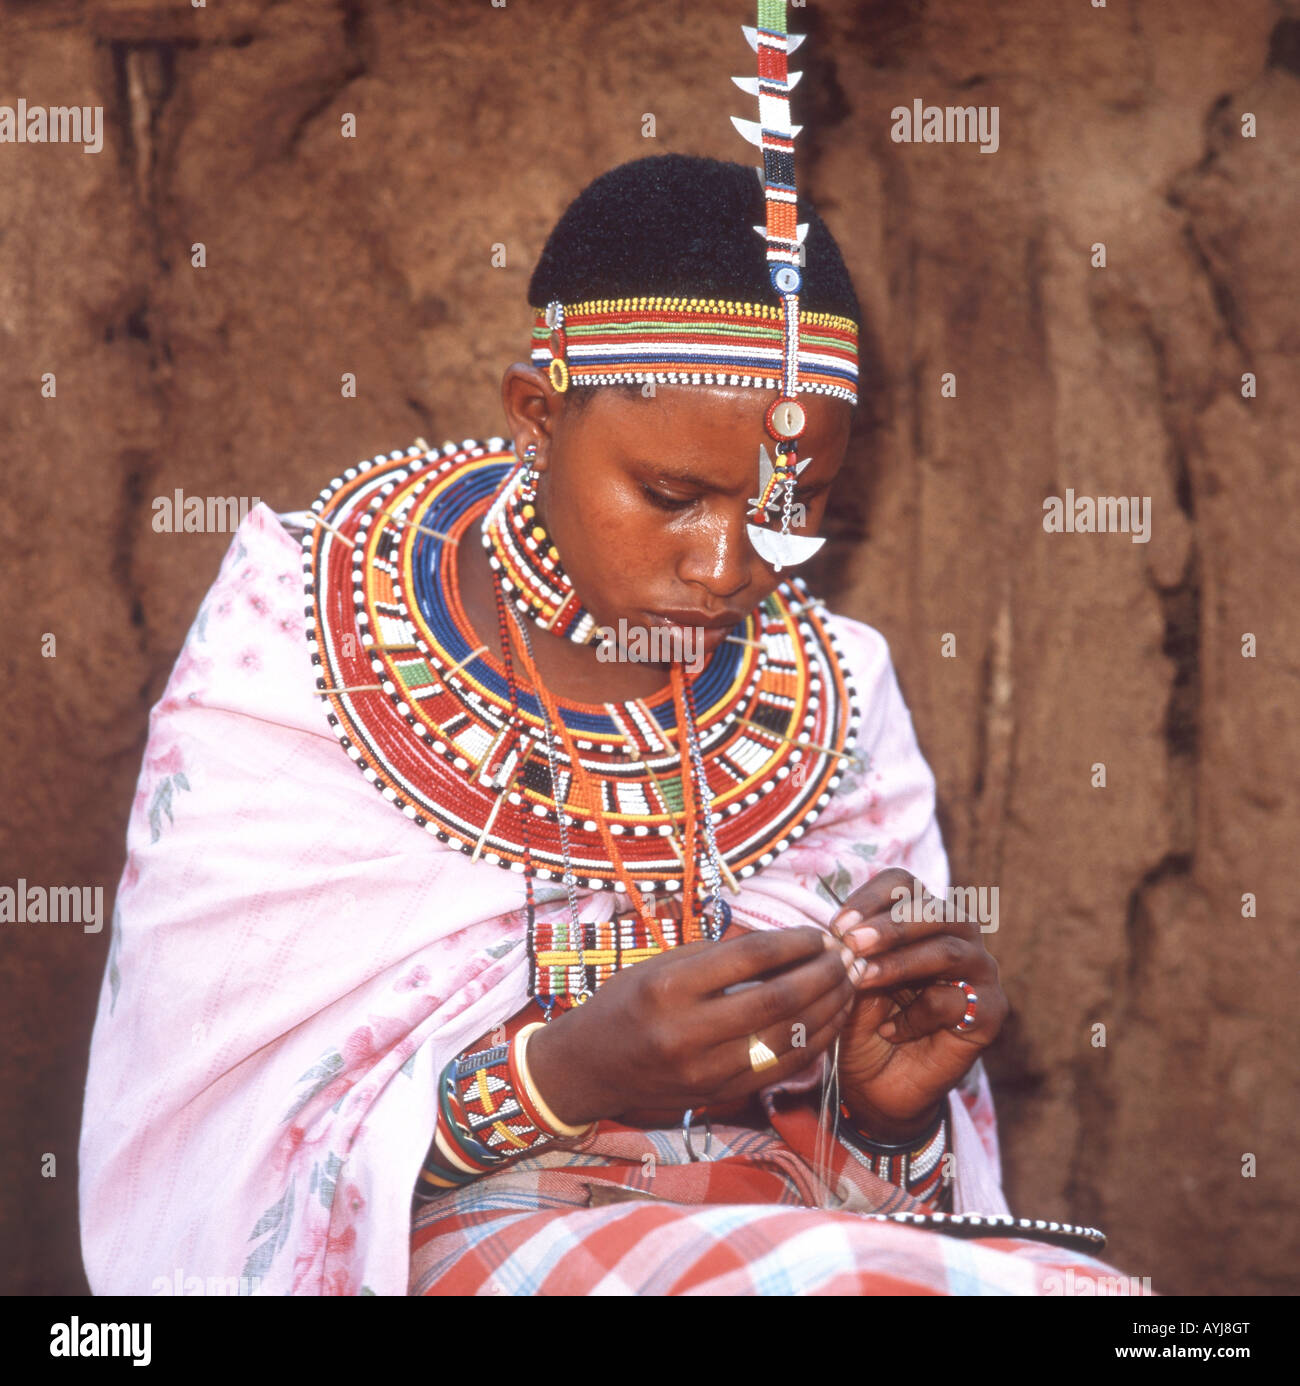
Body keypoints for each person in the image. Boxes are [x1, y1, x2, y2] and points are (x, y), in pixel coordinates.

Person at [79, 5, 1146, 1296]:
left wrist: (892, 1109)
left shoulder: (842, 693)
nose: (728, 562)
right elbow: (212, 1149)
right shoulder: (296, 638)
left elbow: (876, 1199)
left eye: (793, 509)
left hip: (791, 1241)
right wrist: (562, 1074)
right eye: (674, 494)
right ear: (536, 414)